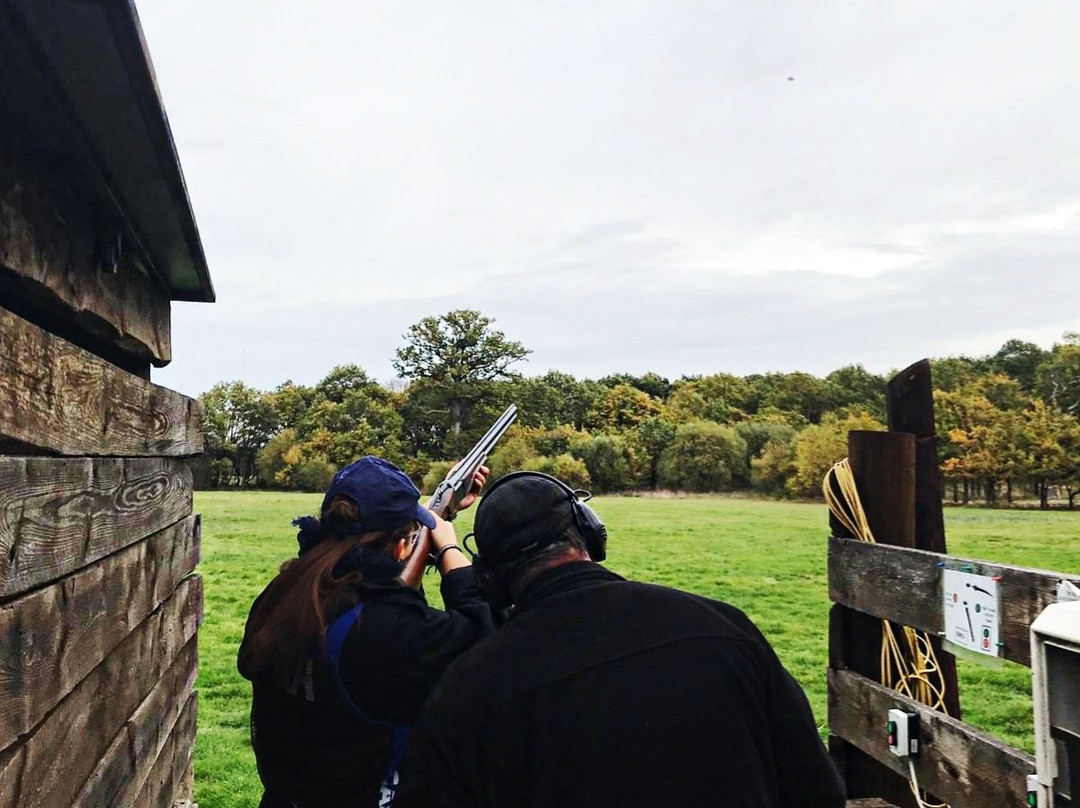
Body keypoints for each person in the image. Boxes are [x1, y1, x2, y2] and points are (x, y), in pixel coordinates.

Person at [397, 471, 846, 808]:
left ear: (490, 580)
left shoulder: (466, 690)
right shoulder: (724, 627)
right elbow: (818, 791)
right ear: (590, 535)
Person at [237, 455, 496, 808]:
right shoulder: (387, 631)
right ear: (400, 545)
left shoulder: (287, 592)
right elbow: (484, 634)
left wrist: (438, 513)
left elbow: (388, 597)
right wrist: (447, 544)